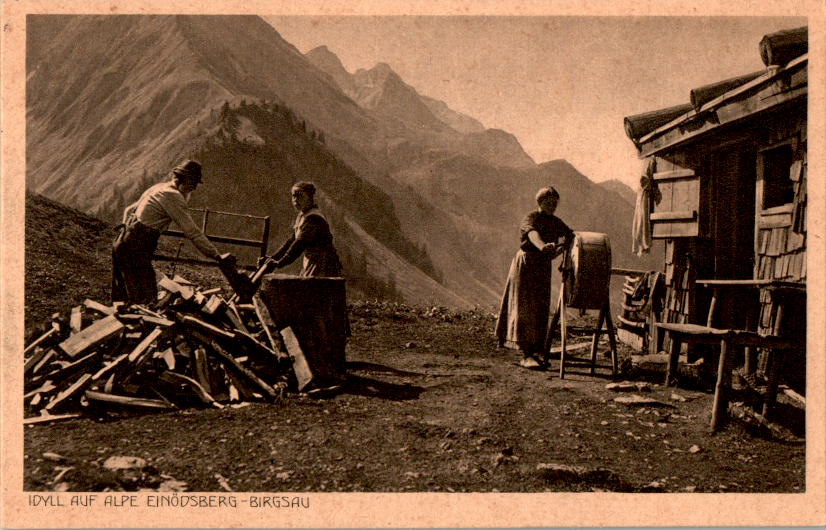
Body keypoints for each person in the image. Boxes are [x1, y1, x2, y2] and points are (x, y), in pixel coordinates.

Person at [112, 159, 234, 305]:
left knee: (124, 296)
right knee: (146, 299)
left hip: (124, 242)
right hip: (137, 247)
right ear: (186, 180)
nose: (194, 188)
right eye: (193, 183)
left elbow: (129, 210)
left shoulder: (158, 188)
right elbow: (193, 232)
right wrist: (216, 255)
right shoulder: (173, 196)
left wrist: (125, 229)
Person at [495, 186, 574, 369]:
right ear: (539, 202)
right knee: (525, 308)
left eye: (555, 203)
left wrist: (563, 247)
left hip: (543, 266)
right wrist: (543, 246)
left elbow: (570, 234)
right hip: (527, 265)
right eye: (548, 202)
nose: (552, 206)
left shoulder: (556, 222)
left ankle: (537, 350)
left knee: (541, 307)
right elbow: (532, 234)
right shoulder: (530, 218)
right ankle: (526, 354)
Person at [261, 181, 343, 277]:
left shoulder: (314, 218)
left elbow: (299, 243)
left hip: (323, 264)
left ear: (309, 198)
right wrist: (273, 258)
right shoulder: (303, 216)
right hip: (313, 262)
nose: (295, 199)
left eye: (299, 196)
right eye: (293, 196)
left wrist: (280, 263)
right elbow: (291, 241)